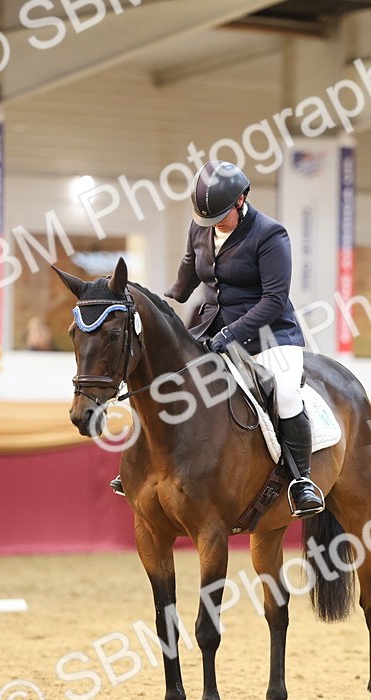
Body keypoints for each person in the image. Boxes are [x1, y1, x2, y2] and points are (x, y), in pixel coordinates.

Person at [110, 160, 325, 518]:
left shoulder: (271, 235)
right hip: (212, 326)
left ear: (242, 200)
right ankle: (141, 465)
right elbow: (191, 265)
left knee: (285, 394)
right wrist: (166, 298)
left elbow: (273, 300)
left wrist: (231, 334)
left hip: (269, 333)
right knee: (163, 379)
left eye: (220, 218)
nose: (213, 226)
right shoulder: (201, 226)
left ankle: (301, 481)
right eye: (207, 221)